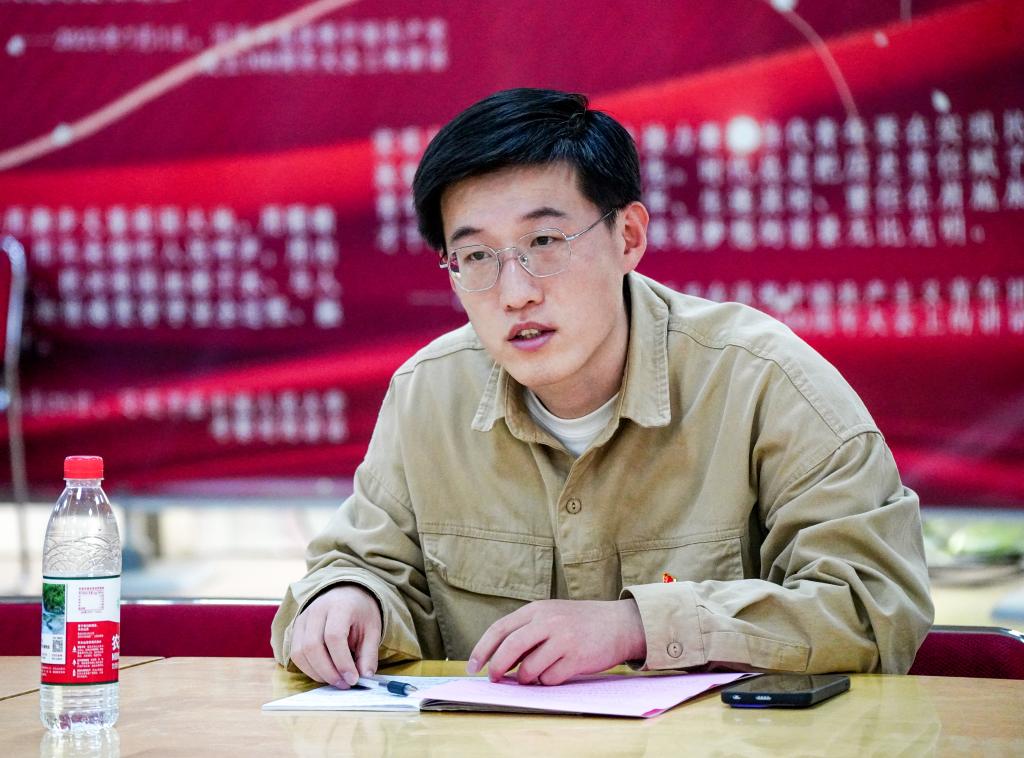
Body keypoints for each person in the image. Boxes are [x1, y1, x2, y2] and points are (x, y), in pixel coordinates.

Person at [271, 88, 933, 688]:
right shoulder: (428, 395)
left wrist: (637, 627)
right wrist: (349, 601)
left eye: (545, 240)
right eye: (475, 256)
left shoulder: (763, 381)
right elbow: (365, 565)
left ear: (629, 237)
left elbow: (874, 609)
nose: (516, 292)